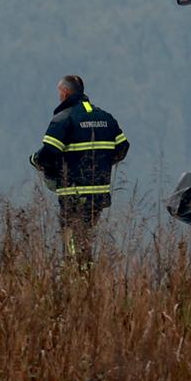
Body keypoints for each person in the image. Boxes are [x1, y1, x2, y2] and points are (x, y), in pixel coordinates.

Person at [31, 74, 129, 260]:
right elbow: (123, 147)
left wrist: (36, 160)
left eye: (59, 92)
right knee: (86, 237)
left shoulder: (63, 120)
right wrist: (103, 163)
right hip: (99, 193)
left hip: (74, 193)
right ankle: (86, 275)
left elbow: (49, 153)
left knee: (72, 242)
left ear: (65, 92)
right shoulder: (105, 117)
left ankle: (79, 277)